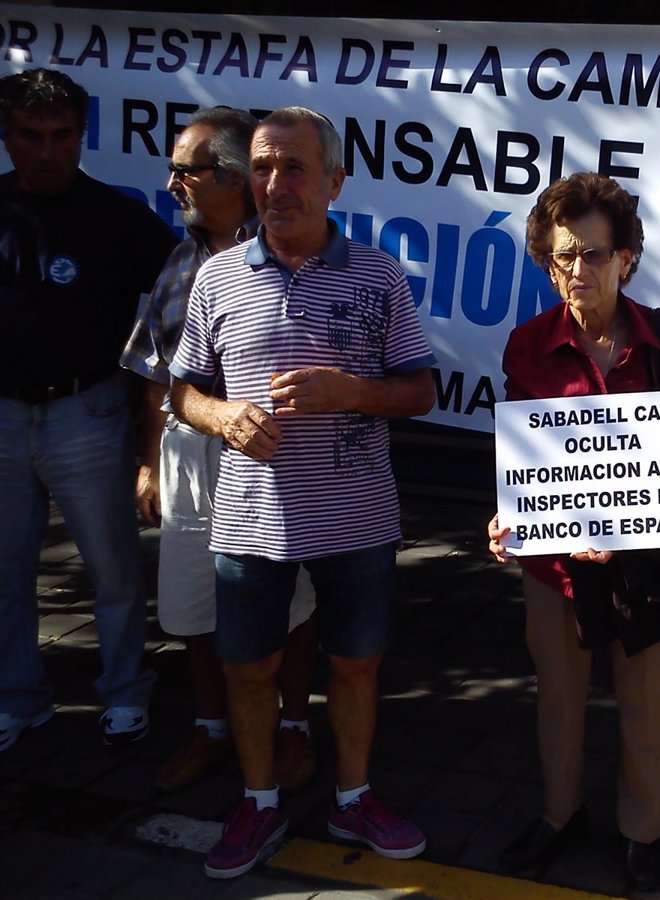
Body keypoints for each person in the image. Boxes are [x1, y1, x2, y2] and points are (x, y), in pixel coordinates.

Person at [168, 106, 436, 879]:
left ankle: (354, 795)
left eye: (294, 168)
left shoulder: (378, 274)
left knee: (356, 664)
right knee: (248, 670)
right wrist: (222, 416)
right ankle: (258, 804)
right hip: (251, 521)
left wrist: (353, 392)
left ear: (334, 182)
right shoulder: (217, 275)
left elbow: (421, 391)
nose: (275, 184)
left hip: (357, 518)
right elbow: (183, 390)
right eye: (261, 167)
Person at [486, 172, 660, 893]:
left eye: (592, 253)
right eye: (562, 255)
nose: (576, 270)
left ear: (626, 257)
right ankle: (561, 815)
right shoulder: (528, 344)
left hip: (643, 561)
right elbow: (526, 453)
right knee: (557, 694)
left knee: (643, 700)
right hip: (555, 565)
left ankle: (642, 830)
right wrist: (511, 515)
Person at [121, 107, 320, 794]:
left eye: (187, 171)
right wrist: (150, 463)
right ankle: (212, 727)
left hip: (270, 453)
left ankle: (293, 728)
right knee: (193, 600)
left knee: (290, 601)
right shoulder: (179, 261)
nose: (172, 184)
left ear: (232, 178)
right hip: (189, 451)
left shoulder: (290, 251)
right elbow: (156, 376)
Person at [0, 69, 176, 751]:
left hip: (88, 409)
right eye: (31, 135)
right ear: (8, 136)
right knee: (7, 570)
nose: (48, 151)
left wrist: (152, 396)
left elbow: (183, 295)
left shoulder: (116, 216)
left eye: (62, 135)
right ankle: (19, 697)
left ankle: (126, 691)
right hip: (3, 414)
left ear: (81, 134)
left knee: (113, 567)